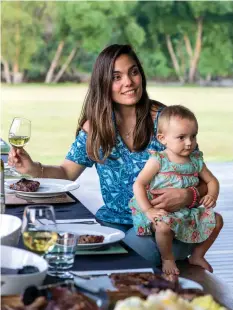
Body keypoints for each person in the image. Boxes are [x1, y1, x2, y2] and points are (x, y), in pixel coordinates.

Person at [8, 44, 207, 267]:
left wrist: (188, 196)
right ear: (103, 83)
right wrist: (32, 168)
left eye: (133, 72)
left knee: (129, 253)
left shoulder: (166, 121)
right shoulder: (96, 126)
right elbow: (65, 173)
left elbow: (205, 181)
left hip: (167, 226)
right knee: (67, 249)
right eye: (116, 77)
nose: (128, 82)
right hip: (112, 221)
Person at [130, 105, 223, 275]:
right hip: (161, 211)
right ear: (162, 138)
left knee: (217, 221)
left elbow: (212, 181)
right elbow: (139, 184)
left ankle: (197, 255)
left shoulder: (195, 160)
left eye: (193, 136)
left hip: (186, 212)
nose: (189, 143)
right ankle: (167, 258)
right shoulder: (159, 160)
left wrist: (212, 194)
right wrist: (148, 209)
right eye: (181, 137)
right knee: (164, 227)